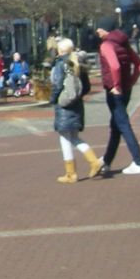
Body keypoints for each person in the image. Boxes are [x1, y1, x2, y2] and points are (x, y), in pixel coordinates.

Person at [94, 16, 140, 177]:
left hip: (115, 91)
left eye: (99, 29)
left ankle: (138, 162)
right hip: (126, 89)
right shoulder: (123, 43)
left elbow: (114, 66)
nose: (97, 32)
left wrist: (116, 86)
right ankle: (107, 161)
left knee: (122, 125)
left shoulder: (107, 45)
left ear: (105, 30)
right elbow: (139, 63)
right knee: (116, 126)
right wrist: (131, 81)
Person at [49, 39, 102, 183]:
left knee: (65, 138)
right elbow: (86, 87)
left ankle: (72, 173)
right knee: (73, 137)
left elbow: (58, 84)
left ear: (60, 51)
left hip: (65, 106)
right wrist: (77, 96)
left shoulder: (63, 64)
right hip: (77, 104)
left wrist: (53, 99)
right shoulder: (76, 63)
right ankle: (92, 162)